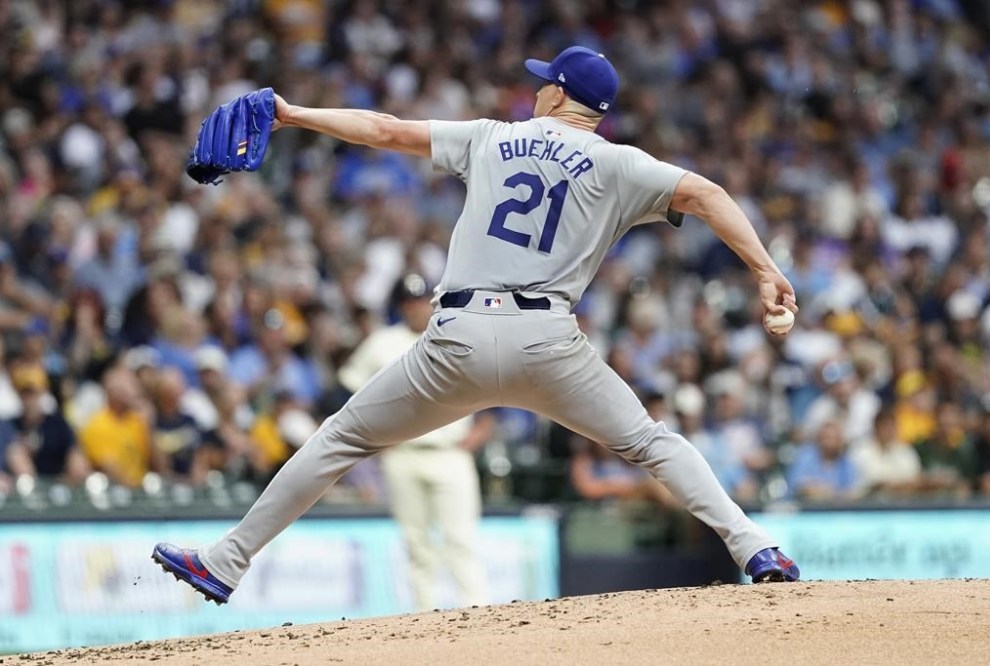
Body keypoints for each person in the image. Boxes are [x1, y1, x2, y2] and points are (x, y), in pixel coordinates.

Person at [154, 45, 800, 604]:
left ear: (557, 94)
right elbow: (710, 197)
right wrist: (766, 270)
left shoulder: (491, 136)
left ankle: (225, 562)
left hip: (456, 341)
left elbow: (381, 130)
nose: (537, 86)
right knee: (653, 445)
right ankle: (756, 548)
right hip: (549, 344)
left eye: (544, 80)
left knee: (341, 440)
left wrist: (293, 114)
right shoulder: (622, 164)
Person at [338, 273, 492, 611]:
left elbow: (492, 392)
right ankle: (424, 619)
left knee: (461, 541)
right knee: (417, 545)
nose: (416, 307)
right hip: (402, 453)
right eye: (409, 302)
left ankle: (480, 616)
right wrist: (376, 437)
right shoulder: (382, 342)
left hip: (451, 453)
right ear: (400, 306)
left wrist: (477, 435)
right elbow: (347, 391)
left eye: (422, 300)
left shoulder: (455, 335)